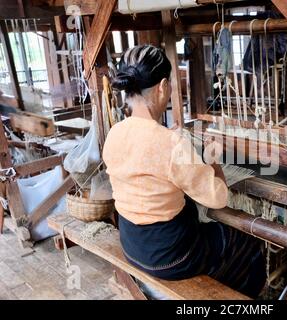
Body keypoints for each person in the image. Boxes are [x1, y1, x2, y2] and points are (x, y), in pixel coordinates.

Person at [103, 45, 266, 298]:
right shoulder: (171, 144)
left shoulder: (115, 134)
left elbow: (147, 163)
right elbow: (218, 198)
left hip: (132, 246)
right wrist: (212, 160)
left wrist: (174, 142)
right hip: (170, 258)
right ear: (163, 86)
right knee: (244, 241)